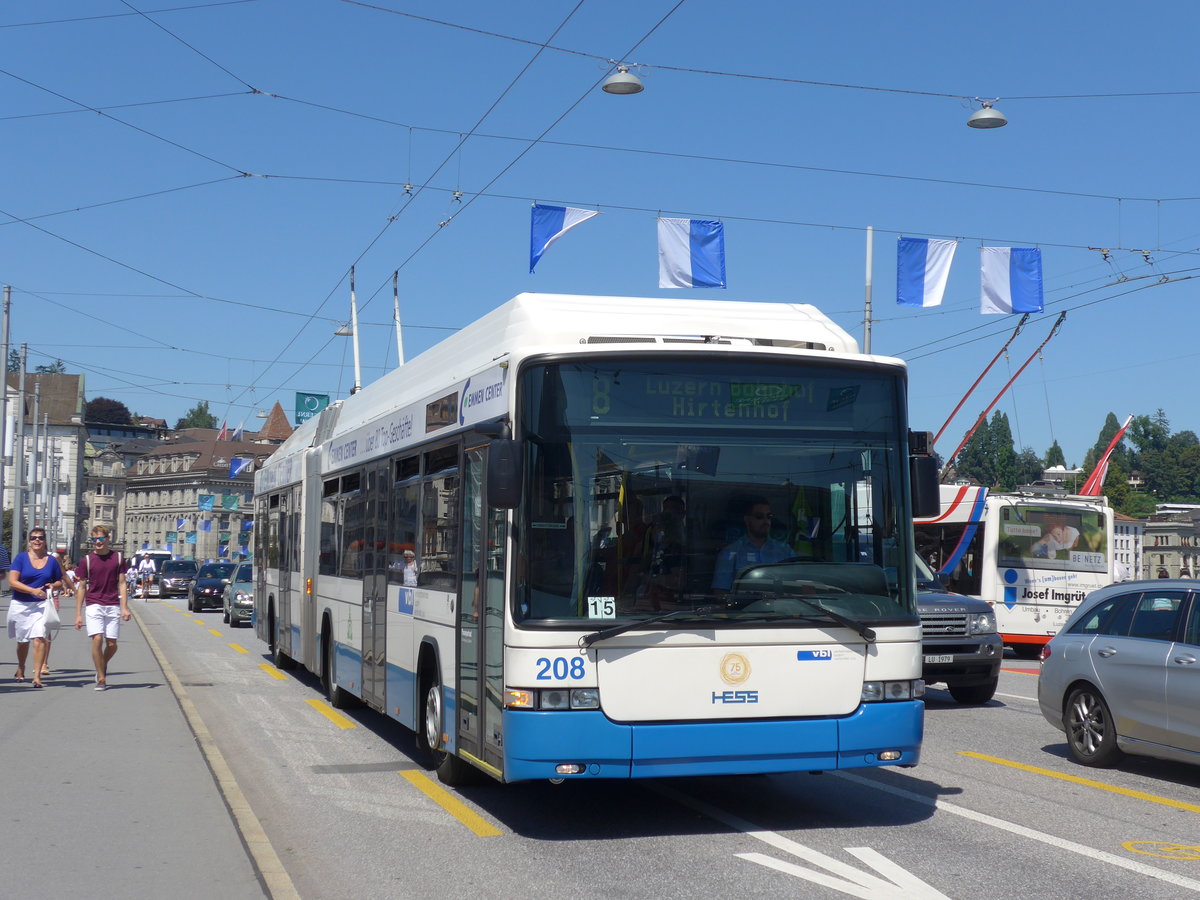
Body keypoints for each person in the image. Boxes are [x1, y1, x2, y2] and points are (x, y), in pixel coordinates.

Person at [73, 526, 129, 691]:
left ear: (107, 539)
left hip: (112, 604)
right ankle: (101, 677)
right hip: (94, 603)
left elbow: (122, 583)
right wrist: (78, 614)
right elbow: (82, 587)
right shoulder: (87, 561)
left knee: (112, 644)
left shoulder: (118, 558)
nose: (97, 542)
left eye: (101, 539)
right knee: (97, 638)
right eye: (94, 539)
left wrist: (125, 607)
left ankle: (101, 665)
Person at [6, 528, 63, 688]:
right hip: (21, 604)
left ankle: (37, 676)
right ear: (29, 541)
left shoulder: (51, 561)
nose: (37, 540)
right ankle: (21, 666)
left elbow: (60, 581)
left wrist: (53, 585)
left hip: (41, 605)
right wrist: (32, 590)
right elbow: (12, 582)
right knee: (22, 642)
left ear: (45, 541)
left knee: (39, 638)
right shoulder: (21, 558)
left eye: (40, 538)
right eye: (33, 538)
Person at [711, 497, 794, 593]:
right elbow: (720, 593)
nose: (766, 521)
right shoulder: (730, 552)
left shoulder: (785, 551)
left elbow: (799, 584)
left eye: (769, 516)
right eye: (759, 516)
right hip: (746, 607)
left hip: (781, 606)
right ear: (747, 520)